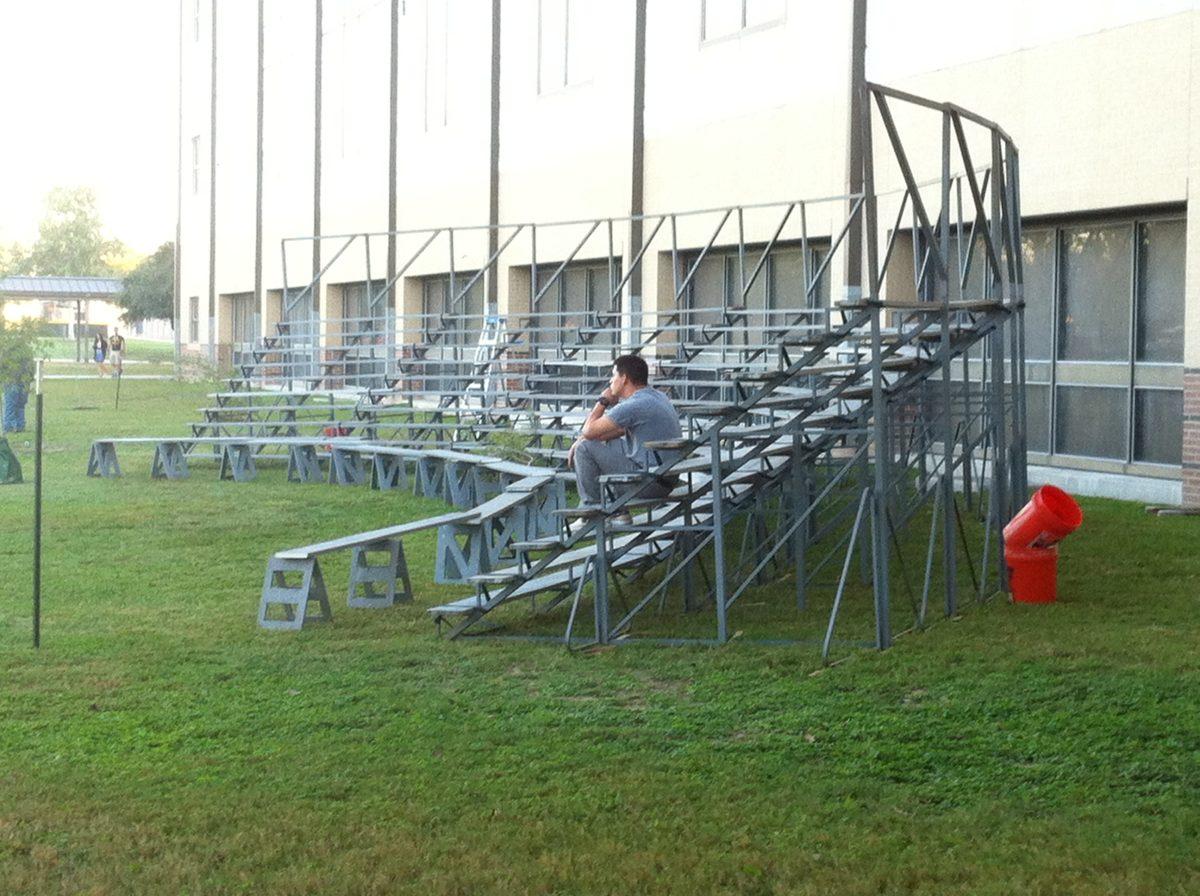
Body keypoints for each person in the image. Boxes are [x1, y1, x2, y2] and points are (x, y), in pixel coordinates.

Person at [567, 354, 682, 510]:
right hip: (666, 479)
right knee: (600, 442)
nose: (610, 381)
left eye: (614, 375)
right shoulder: (658, 396)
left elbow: (588, 431)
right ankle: (619, 512)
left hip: (650, 484)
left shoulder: (634, 405)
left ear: (624, 378)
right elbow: (605, 433)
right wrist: (584, 438)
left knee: (584, 449)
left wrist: (603, 401)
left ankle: (591, 511)